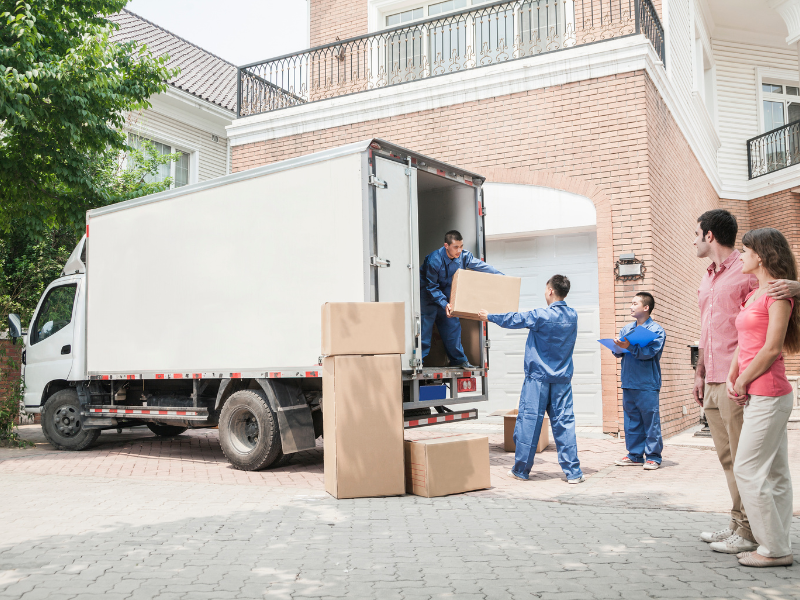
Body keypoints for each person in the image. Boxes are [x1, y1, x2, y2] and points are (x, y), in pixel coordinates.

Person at [726, 228, 797, 568]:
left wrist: (742, 381)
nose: (740, 256)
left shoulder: (778, 295)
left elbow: (771, 349)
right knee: (776, 474)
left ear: (761, 255)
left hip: (770, 393)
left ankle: (773, 549)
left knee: (748, 469)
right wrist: (732, 375)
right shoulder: (753, 295)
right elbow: (746, 343)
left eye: (744, 251)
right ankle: (779, 542)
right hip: (757, 392)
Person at [477, 275, 584, 484]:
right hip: (562, 380)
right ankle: (574, 473)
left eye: (546, 289)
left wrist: (489, 316)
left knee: (529, 424)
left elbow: (514, 319)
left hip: (538, 380)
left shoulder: (541, 315)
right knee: (564, 424)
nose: (545, 293)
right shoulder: (573, 316)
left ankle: (521, 470)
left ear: (551, 291)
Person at [420, 230, 502, 369]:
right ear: (446, 245)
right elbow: (431, 287)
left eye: (461, 246)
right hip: (428, 294)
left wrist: (501, 276)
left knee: (452, 325)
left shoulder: (464, 256)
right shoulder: (434, 260)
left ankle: (458, 360)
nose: (459, 250)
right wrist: (444, 303)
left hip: (447, 292)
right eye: (456, 247)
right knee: (425, 326)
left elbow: (482, 267)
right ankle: (419, 361)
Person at [612, 292, 666, 470]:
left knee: (650, 421)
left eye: (635, 303)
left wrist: (630, 347)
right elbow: (617, 353)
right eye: (631, 303)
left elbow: (650, 353)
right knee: (632, 421)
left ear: (646, 307)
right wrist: (618, 347)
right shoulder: (626, 329)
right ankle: (635, 455)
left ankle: (653, 457)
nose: (631, 306)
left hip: (647, 383)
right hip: (628, 382)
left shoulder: (657, 331)